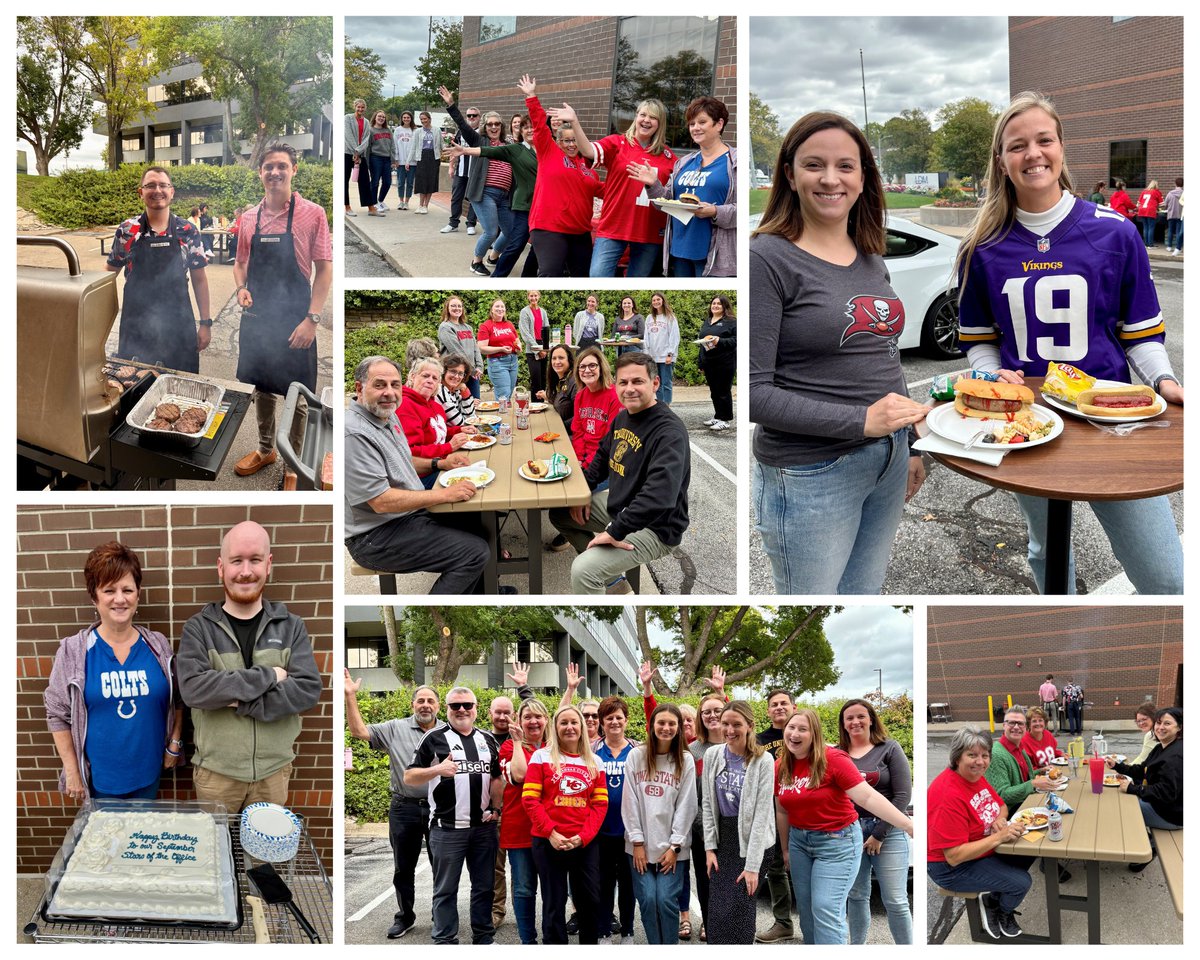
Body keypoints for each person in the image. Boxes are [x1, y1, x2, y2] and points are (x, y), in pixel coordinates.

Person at [957, 92, 1183, 595]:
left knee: (1165, 574)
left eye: (1044, 140)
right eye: (1017, 145)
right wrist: (992, 376)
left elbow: (1140, 334)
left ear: (1061, 147)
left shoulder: (1116, 233)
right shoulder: (982, 247)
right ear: (1001, 159)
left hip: (1111, 419)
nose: (1033, 154)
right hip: (1030, 419)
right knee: (1047, 551)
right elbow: (980, 340)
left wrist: (1165, 381)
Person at [751, 112, 928, 595]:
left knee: (862, 599)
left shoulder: (868, 254)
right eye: (814, 165)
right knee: (810, 611)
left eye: (845, 166)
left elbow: (884, 358)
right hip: (812, 474)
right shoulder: (766, 258)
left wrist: (912, 446)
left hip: (888, 459)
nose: (831, 179)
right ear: (790, 175)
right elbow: (754, 393)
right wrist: (860, 421)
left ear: (863, 177)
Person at [176, 521, 322, 811]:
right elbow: (194, 690)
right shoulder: (199, 629)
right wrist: (270, 675)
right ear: (221, 567)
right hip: (216, 775)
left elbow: (306, 691)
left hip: (273, 774)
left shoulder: (291, 626)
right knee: (216, 842)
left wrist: (239, 700)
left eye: (255, 560)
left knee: (265, 843)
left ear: (268, 565)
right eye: (236, 561)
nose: (245, 571)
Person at [44, 542, 182, 803]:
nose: (120, 599)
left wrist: (174, 744)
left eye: (127, 590)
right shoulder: (74, 651)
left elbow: (177, 700)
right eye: (109, 590)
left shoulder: (157, 645)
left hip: (149, 774)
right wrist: (72, 772)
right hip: (101, 782)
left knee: (142, 828)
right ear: (94, 597)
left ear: (138, 595)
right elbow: (57, 714)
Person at [343, 356, 490, 594]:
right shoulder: (354, 433)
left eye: (395, 385)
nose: (389, 392)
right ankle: (438, 614)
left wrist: (440, 463)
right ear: (359, 388)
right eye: (379, 385)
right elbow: (381, 501)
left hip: (406, 516)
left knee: (479, 522)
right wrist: (445, 495)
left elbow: (403, 460)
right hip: (374, 536)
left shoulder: (387, 416)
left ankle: (483, 592)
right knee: (474, 552)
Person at [232, 142, 332, 478]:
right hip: (258, 319)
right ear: (260, 172)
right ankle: (266, 449)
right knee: (261, 387)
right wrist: (242, 288)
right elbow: (240, 263)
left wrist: (312, 320)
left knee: (297, 393)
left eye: (282, 166)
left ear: (293, 170)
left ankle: (293, 464)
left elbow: (324, 270)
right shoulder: (249, 217)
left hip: (296, 318)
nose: (275, 172)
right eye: (269, 167)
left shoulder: (313, 213)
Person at [551, 353, 690, 595]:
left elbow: (659, 497)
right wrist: (582, 493)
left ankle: (603, 593)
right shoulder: (624, 417)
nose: (629, 389)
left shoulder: (669, 432)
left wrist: (615, 530)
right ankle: (614, 579)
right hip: (621, 507)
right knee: (561, 513)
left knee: (584, 570)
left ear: (655, 383)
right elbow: (601, 460)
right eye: (623, 382)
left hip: (655, 527)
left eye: (638, 381)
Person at [775, 709, 913, 945]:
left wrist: (908, 825)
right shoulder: (781, 765)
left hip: (837, 841)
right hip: (800, 842)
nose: (794, 734)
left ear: (815, 734)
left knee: (825, 908)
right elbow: (782, 810)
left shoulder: (834, 759)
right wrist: (786, 848)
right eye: (791, 727)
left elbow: (868, 797)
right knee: (806, 910)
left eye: (802, 729)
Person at [344, 673, 445, 939]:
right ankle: (405, 917)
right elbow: (359, 731)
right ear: (412, 705)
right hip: (404, 808)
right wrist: (350, 695)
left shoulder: (448, 732)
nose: (425, 705)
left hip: (440, 808)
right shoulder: (395, 728)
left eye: (430, 701)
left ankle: (440, 916)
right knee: (403, 867)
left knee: (441, 866)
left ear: (438, 705)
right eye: (420, 700)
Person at [404, 687, 502, 945]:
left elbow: (496, 777)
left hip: (483, 828)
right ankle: (445, 940)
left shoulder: (488, 739)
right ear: (446, 709)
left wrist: (496, 809)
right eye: (455, 705)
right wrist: (437, 769)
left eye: (467, 705)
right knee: (445, 890)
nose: (461, 710)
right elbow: (409, 776)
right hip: (447, 829)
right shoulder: (433, 737)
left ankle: (484, 937)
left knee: (484, 887)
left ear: (476, 709)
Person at [927, 726, 1033, 940]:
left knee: (1030, 851)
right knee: (1022, 883)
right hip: (952, 868)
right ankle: (998, 907)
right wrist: (998, 837)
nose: (980, 762)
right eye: (972, 755)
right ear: (957, 757)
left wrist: (999, 819)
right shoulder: (947, 795)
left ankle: (997, 895)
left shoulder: (976, 777)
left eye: (985, 755)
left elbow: (1001, 805)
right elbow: (954, 856)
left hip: (981, 849)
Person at [552, 99, 676, 277]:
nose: (647, 120)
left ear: (660, 123)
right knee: (598, 277)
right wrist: (574, 122)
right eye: (643, 115)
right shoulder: (617, 143)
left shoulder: (668, 156)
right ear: (636, 117)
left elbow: (671, 195)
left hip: (648, 231)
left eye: (653, 117)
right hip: (614, 226)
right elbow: (588, 151)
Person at [106, 166, 211, 373]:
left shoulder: (187, 231)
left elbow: (200, 279)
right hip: (136, 326)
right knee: (134, 383)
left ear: (172, 191)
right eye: (150, 185)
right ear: (141, 192)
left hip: (178, 324)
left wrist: (205, 323)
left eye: (163, 185)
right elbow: (107, 276)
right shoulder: (127, 230)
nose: (157, 190)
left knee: (181, 383)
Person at [522, 705, 609, 944]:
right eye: (563, 723)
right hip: (548, 842)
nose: (569, 727)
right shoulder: (542, 757)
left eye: (574, 722)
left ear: (582, 726)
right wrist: (551, 833)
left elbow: (600, 805)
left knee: (589, 901)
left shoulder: (595, 761)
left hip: (584, 844)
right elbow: (530, 799)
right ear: (555, 727)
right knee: (554, 903)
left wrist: (583, 837)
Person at [632, 95, 736, 277]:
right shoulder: (683, 163)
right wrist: (653, 184)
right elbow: (666, 201)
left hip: (715, 256)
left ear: (719, 124)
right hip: (680, 250)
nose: (695, 128)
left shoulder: (735, 162)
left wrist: (715, 211)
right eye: (692, 124)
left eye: (702, 122)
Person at [838, 699, 913, 945]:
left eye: (861, 716)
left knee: (896, 900)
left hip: (889, 832)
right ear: (843, 724)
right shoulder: (837, 754)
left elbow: (902, 795)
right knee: (856, 896)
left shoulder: (889, 748)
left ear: (871, 719)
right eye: (849, 718)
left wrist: (879, 834)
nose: (855, 721)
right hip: (850, 833)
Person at [702, 700, 776, 945]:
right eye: (725, 723)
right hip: (724, 840)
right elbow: (708, 804)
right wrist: (709, 848)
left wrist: (753, 866)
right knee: (718, 910)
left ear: (750, 726)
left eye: (736, 724)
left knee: (740, 906)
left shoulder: (763, 761)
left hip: (754, 843)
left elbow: (761, 815)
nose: (730, 730)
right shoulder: (713, 755)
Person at [623, 703, 698, 944]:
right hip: (639, 847)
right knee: (647, 899)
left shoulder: (685, 759)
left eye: (672, 724)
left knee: (665, 899)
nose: (666, 728)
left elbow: (687, 805)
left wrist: (675, 846)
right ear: (652, 725)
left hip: (673, 848)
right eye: (661, 722)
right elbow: (629, 802)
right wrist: (637, 842)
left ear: (679, 728)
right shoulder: (636, 756)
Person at [441, 88, 513, 277]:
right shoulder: (479, 140)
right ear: (485, 126)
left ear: (502, 126)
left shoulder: (508, 145)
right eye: (490, 124)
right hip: (484, 193)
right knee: (490, 231)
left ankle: (493, 257)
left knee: (510, 231)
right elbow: (463, 125)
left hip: (504, 196)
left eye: (497, 124)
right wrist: (451, 105)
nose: (494, 127)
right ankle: (476, 262)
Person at [499, 698, 550, 943]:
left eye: (538, 716)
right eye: (527, 717)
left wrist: (571, 690)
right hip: (520, 830)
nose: (533, 721)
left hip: (550, 831)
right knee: (524, 888)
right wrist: (519, 742)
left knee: (552, 888)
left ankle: (552, 938)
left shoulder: (553, 748)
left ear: (546, 720)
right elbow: (520, 775)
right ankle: (528, 940)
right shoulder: (509, 747)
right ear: (518, 721)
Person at [594, 696, 638, 945]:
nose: (614, 722)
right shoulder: (592, 750)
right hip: (601, 831)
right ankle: (603, 931)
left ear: (626, 720)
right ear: (602, 722)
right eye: (609, 718)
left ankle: (628, 931)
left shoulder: (636, 750)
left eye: (619, 717)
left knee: (628, 885)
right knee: (604, 884)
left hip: (629, 832)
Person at [1108, 707, 1182, 853]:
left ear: (1179, 727)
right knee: (1120, 802)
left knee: (1120, 811)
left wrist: (1133, 788)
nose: (1160, 727)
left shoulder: (1176, 755)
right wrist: (1117, 766)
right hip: (1159, 805)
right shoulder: (1161, 748)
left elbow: (1166, 792)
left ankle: (1147, 847)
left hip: (1171, 814)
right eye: (1159, 723)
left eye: (1167, 723)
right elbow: (1142, 770)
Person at [755, 689, 797, 942]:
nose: (779, 707)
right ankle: (783, 923)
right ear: (768, 711)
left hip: (802, 808)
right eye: (774, 704)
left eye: (784, 703)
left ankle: (816, 923)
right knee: (776, 868)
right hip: (771, 809)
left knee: (806, 868)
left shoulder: (805, 733)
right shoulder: (759, 740)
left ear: (794, 707)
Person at [396, 355, 476, 488]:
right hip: (421, 476)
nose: (430, 381)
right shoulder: (405, 405)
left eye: (434, 378)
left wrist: (459, 430)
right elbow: (411, 451)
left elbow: (436, 433)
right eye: (425, 376)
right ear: (412, 377)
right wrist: (448, 447)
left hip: (441, 462)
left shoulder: (434, 405)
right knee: (472, 480)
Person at [567, 346, 621, 472]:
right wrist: (578, 458)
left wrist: (586, 465)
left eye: (592, 366)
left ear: (601, 368)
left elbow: (609, 440)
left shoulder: (615, 396)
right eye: (582, 366)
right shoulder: (580, 396)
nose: (587, 370)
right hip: (583, 457)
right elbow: (578, 431)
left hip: (603, 461)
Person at [698, 294, 737, 432]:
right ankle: (718, 415)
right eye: (713, 303)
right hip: (709, 362)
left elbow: (736, 340)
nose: (715, 306)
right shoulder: (707, 321)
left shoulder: (732, 322)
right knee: (714, 391)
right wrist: (700, 363)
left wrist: (719, 341)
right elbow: (703, 344)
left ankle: (725, 420)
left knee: (723, 391)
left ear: (725, 306)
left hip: (725, 362)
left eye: (719, 304)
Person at [442, 102, 480, 234]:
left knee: (473, 198)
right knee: (456, 197)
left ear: (479, 117)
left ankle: (471, 224)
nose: (471, 118)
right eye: (469, 115)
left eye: (474, 115)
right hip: (461, 171)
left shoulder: (482, 133)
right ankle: (453, 223)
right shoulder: (460, 132)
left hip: (475, 172)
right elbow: (454, 150)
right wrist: (451, 167)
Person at [436, 296, 484, 400]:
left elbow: (475, 348)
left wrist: (479, 367)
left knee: (475, 402)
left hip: (472, 374)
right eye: (453, 306)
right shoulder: (445, 327)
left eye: (459, 306)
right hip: (455, 373)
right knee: (458, 403)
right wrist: (472, 370)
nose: (457, 308)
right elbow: (456, 351)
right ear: (447, 308)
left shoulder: (468, 327)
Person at [477, 298, 520, 401]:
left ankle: (505, 411)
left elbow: (517, 341)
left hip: (513, 361)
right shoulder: (486, 326)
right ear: (492, 310)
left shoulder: (509, 324)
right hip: (497, 362)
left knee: (508, 393)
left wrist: (519, 348)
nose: (500, 309)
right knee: (503, 395)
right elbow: (481, 348)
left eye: (502, 307)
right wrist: (501, 349)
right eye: (497, 306)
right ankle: (502, 412)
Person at [643, 293, 681, 404]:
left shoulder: (670, 317)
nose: (656, 302)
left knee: (666, 383)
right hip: (653, 356)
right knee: (656, 382)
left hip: (666, 356)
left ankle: (667, 405)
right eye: (654, 300)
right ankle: (660, 405)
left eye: (658, 299)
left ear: (663, 300)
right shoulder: (649, 318)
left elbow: (674, 337)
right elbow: (646, 337)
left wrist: (670, 354)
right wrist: (647, 353)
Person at [344, 99, 378, 217]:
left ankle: (371, 207)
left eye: (362, 107)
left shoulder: (367, 122)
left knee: (364, 180)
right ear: (355, 107)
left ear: (365, 108)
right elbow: (347, 136)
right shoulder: (347, 118)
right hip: (347, 153)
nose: (360, 109)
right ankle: (347, 207)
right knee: (344, 180)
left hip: (360, 154)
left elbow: (366, 139)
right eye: (358, 107)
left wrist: (358, 152)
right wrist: (355, 151)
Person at [406, 111, 442, 215]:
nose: (423, 121)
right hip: (422, 158)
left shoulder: (437, 130)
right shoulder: (418, 132)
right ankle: (420, 205)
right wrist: (408, 161)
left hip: (434, 158)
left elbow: (441, 144)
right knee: (421, 182)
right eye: (421, 119)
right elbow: (413, 147)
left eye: (425, 119)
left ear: (429, 119)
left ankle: (426, 205)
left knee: (431, 181)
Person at [518, 290, 550, 397]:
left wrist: (545, 349)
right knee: (536, 379)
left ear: (539, 296)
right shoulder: (524, 312)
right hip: (532, 347)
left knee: (543, 378)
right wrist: (538, 350)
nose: (533, 298)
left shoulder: (543, 312)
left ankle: (543, 402)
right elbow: (525, 333)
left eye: (535, 295)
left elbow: (546, 329)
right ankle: (535, 403)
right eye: (531, 296)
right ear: (528, 297)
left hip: (543, 345)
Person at [436, 354, 477, 428]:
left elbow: (471, 417)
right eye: (453, 371)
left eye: (460, 373)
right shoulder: (440, 391)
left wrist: (465, 391)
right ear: (444, 371)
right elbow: (460, 424)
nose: (456, 376)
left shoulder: (455, 389)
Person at [368, 110, 396, 214]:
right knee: (375, 182)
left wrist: (393, 160)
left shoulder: (388, 130)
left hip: (387, 159)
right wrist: (367, 162)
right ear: (375, 117)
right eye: (379, 116)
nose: (381, 118)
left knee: (387, 182)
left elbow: (392, 146)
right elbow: (368, 147)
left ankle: (380, 201)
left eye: (383, 117)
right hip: (375, 158)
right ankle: (374, 203)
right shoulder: (370, 130)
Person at [393, 111, 418, 210]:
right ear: (402, 119)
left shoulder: (415, 130)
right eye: (404, 117)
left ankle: (406, 202)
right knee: (400, 183)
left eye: (408, 117)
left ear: (411, 119)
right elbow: (395, 145)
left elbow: (416, 146)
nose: (406, 119)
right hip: (401, 161)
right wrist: (396, 159)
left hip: (412, 162)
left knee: (410, 183)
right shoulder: (398, 130)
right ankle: (401, 202)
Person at [1137, 179, 1163, 247]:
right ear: (1156, 185)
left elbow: (1138, 203)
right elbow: (1162, 204)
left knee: (1145, 227)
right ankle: (1150, 244)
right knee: (1151, 227)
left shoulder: (1144, 191)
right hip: (1150, 211)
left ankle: (1145, 243)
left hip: (1142, 210)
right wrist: (1157, 207)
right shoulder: (1156, 192)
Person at [1164, 177, 1183, 254]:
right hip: (1180, 215)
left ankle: (1169, 246)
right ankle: (1178, 248)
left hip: (1171, 215)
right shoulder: (1184, 193)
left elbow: (1165, 204)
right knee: (1178, 232)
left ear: (1175, 184)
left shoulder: (1170, 193)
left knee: (1170, 231)